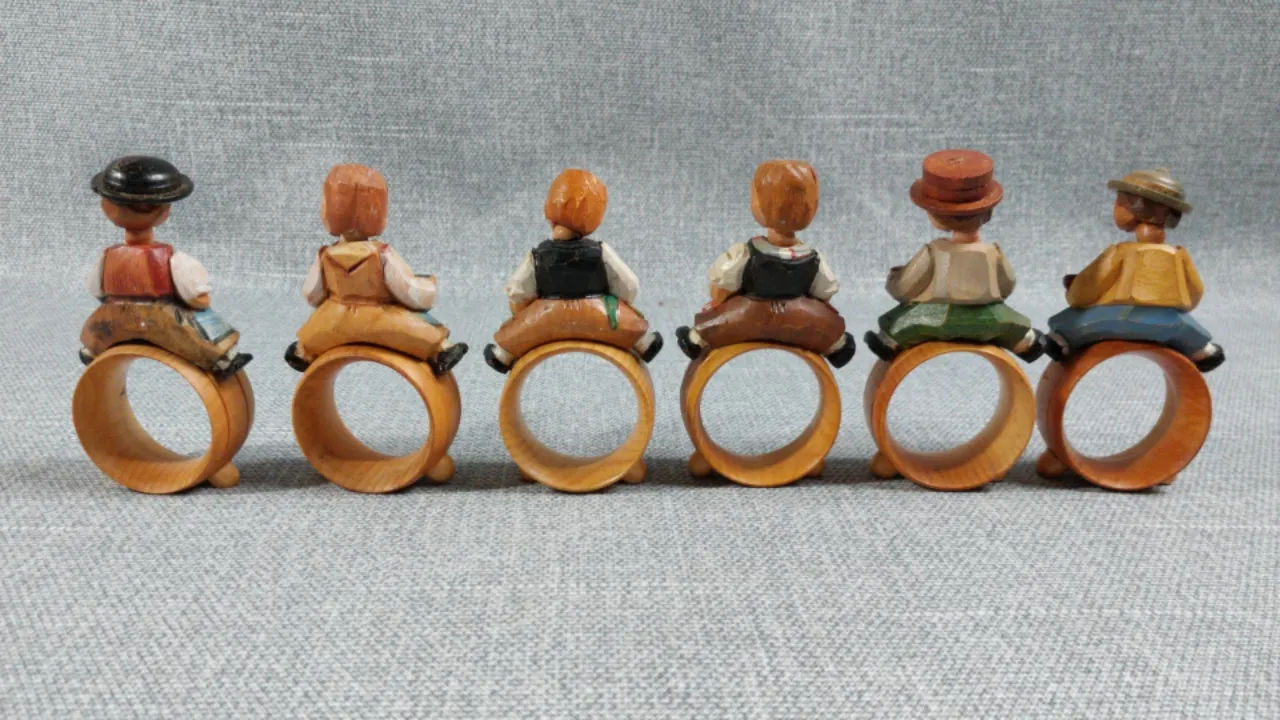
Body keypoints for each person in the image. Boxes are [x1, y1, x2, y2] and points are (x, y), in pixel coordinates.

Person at [864, 149, 1044, 363]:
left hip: (937, 316)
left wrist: (895, 281)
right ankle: (1028, 343)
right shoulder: (993, 252)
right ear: (988, 212)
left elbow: (907, 286)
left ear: (935, 217)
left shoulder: (934, 251)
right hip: (988, 317)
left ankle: (887, 342)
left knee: (905, 321)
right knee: (1011, 322)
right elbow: (1007, 284)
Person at [285, 164, 467, 376]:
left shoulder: (325, 255)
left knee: (313, 331)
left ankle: (303, 352)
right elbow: (407, 290)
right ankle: (442, 350)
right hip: (378, 320)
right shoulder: (381, 253)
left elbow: (311, 294)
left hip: (336, 319)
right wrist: (428, 288)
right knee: (412, 327)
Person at [81, 155, 252, 379]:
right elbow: (193, 294)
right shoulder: (172, 259)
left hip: (116, 316)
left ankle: (92, 351)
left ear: (106, 207)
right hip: (161, 318)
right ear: (164, 210)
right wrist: (198, 301)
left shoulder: (107, 257)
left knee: (98, 329)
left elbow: (96, 289)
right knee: (195, 331)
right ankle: (222, 359)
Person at [675, 159, 854, 366]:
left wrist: (719, 301)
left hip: (751, 312)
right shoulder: (814, 258)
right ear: (812, 207)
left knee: (723, 319)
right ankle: (837, 347)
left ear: (758, 205)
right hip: (798, 317)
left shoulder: (746, 252)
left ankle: (696, 339)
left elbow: (723, 283)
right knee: (822, 323)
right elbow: (824, 292)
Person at [1043, 168, 1224, 372]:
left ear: (1133, 206)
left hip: (1114, 319)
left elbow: (1087, 290)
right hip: (1168, 323)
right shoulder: (1179, 255)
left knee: (1068, 322)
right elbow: (1195, 293)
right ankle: (1203, 351)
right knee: (1185, 326)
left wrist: (1073, 289)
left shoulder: (1119, 252)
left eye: (1119, 202)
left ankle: (1058, 341)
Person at [483, 169, 662, 373]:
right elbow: (629, 286)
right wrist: (616, 301)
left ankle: (503, 355)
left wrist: (523, 309)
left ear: (549, 211)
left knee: (522, 329)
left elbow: (516, 290)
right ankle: (644, 343)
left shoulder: (537, 255)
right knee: (626, 323)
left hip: (548, 315)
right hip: (596, 313)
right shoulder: (600, 250)